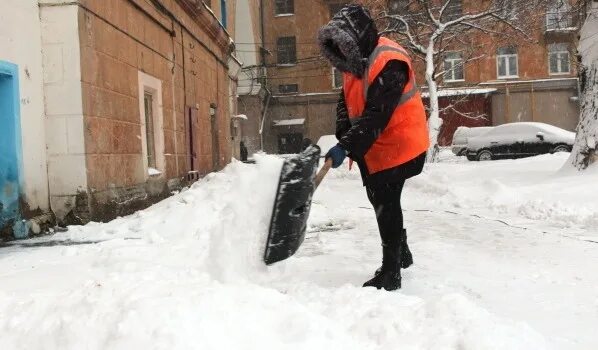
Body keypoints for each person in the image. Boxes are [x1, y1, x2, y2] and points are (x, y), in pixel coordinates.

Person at [318, 5, 429, 291]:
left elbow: (378, 113)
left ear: (357, 38)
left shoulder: (389, 61)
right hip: (377, 145)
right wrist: (344, 134)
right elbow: (345, 102)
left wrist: (347, 146)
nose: (341, 54)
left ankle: (391, 272)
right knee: (380, 198)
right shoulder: (353, 61)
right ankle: (401, 253)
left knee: (385, 201)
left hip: (401, 143)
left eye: (344, 45)